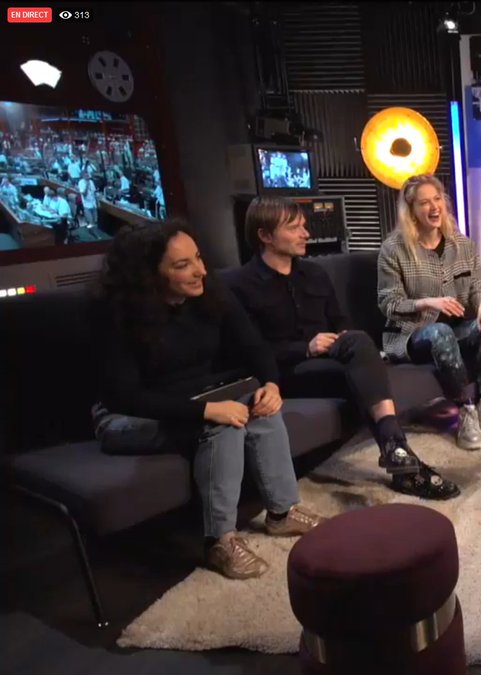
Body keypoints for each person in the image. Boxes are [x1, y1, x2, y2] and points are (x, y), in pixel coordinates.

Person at [90, 220, 325, 580]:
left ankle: (283, 512)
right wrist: (208, 410)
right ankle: (220, 540)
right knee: (221, 424)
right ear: (148, 274)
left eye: (198, 258)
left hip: (196, 398)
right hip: (124, 417)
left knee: (257, 407)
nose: (200, 270)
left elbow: (255, 347)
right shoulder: (116, 314)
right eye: (182, 265)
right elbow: (126, 396)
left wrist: (271, 386)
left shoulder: (210, 293)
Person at [226, 196, 460, 500]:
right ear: (265, 235)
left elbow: (340, 321)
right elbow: (249, 351)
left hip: (331, 360)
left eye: (304, 226)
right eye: (294, 228)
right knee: (366, 375)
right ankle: (400, 455)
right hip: (286, 372)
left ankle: (398, 454)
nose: (306, 234)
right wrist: (305, 348)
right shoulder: (239, 285)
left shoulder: (314, 274)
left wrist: (344, 336)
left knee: (359, 347)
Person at [378, 174, 481, 450]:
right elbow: (388, 303)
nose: (434, 207)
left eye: (437, 199)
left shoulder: (461, 244)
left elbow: (478, 286)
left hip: (456, 329)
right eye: (424, 202)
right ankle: (465, 410)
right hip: (413, 335)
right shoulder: (394, 250)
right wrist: (427, 302)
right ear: (411, 211)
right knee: (440, 333)